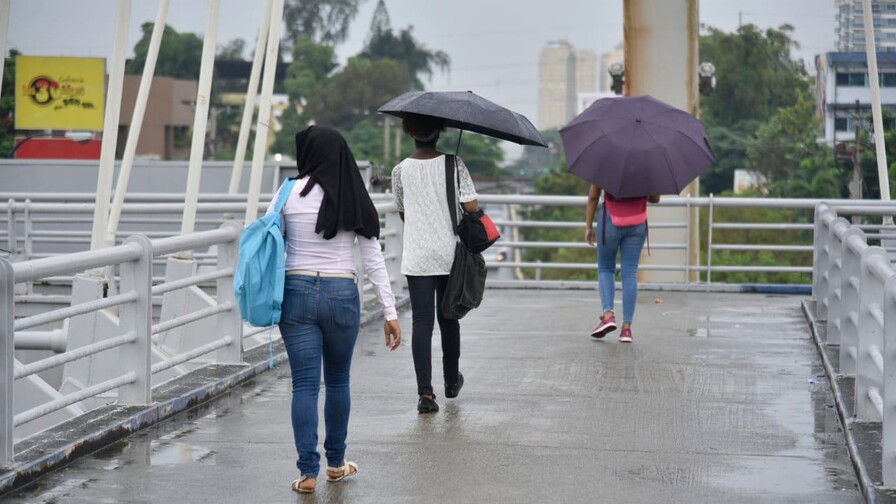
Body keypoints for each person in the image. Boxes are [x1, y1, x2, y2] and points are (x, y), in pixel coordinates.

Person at [270, 126, 402, 494]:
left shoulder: (287, 193)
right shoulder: (353, 195)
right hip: (341, 293)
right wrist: (390, 313)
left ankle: (307, 473)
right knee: (339, 380)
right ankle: (335, 464)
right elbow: (374, 259)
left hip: (295, 292)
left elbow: (267, 242)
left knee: (305, 385)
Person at [391, 113, 478, 414]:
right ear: (439, 132)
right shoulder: (454, 164)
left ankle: (425, 395)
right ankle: (451, 381)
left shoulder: (400, 170)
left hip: (417, 256)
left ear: (410, 133)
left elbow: (403, 211)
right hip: (448, 253)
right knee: (449, 319)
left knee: (421, 324)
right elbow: (471, 206)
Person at [584, 184, 660, 343]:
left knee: (606, 269)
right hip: (637, 223)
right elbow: (655, 198)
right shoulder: (647, 166)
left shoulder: (605, 163)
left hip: (610, 221)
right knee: (630, 273)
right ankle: (626, 329)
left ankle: (608, 315)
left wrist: (588, 226)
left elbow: (593, 197)